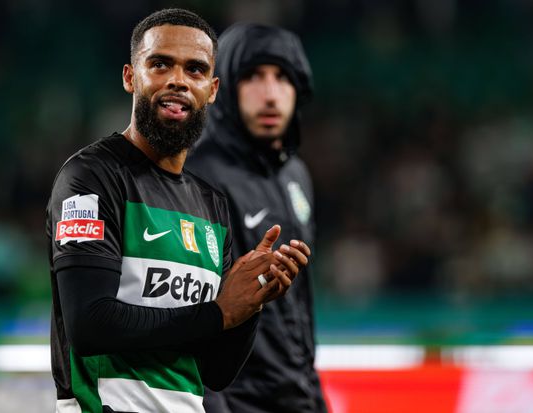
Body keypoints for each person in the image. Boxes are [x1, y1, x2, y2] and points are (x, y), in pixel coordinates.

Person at [45, 9, 311, 413]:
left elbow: (216, 371)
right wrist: (219, 312)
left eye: (195, 69)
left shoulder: (211, 204)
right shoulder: (91, 177)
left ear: (212, 89)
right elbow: (90, 324)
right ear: (130, 77)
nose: (178, 80)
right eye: (160, 64)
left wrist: (250, 303)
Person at [187, 23, 328, 413]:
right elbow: (190, 312)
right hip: (236, 399)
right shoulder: (197, 176)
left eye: (282, 77)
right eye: (252, 76)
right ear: (222, 87)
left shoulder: (296, 174)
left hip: (297, 392)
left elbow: (297, 303)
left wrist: (312, 392)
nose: (269, 94)